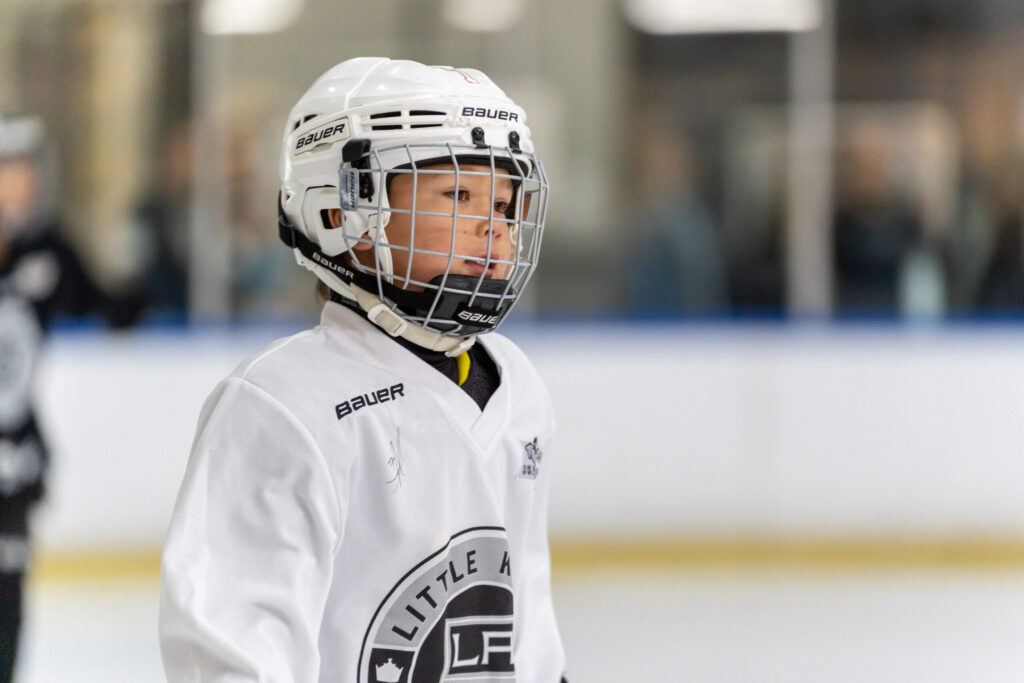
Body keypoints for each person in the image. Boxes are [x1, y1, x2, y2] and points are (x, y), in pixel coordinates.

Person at [160, 57, 568, 682]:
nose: (494, 227)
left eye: (507, 202)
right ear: (340, 209)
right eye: (458, 194)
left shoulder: (518, 387)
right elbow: (233, 655)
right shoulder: (282, 404)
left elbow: (526, 625)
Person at [0, 114, 141, 683]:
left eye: (26, 174)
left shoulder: (48, 250)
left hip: (15, 461)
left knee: (8, 598)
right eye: (9, 173)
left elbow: (107, 306)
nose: (21, 187)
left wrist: (143, 281)